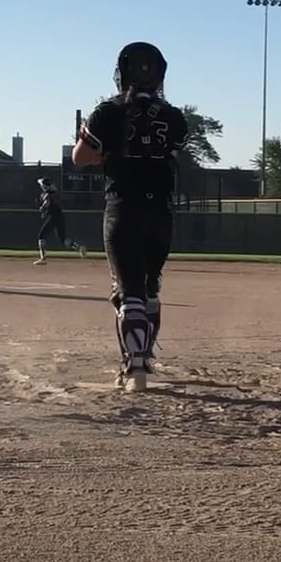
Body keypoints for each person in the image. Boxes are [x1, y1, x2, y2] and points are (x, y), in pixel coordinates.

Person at [72, 41, 188, 392]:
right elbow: (173, 148)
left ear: (120, 73)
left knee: (129, 290)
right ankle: (144, 356)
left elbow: (80, 158)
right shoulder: (173, 116)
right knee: (150, 286)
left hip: (124, 206)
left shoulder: (107, 112)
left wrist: (106, 153)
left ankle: (135, 367)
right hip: (161, 211)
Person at [33, 177, 85, 264]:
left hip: (54, 217)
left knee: (41, 235)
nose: (40, 186)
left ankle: (43, 258)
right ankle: (79, 247)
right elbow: (51, 205)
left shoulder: (47, 194)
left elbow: (47, 202)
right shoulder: (52, 193)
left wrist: (43, 208)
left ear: (44, 186)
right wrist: (45, 211)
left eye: (41, 185)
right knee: (63, 240)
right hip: (59, 217)